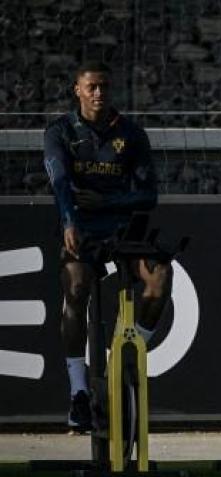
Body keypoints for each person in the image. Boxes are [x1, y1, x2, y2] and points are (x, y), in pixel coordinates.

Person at [44, 61, 172, 431]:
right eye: (92, 87)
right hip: (81, 231)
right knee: (77, 288)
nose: (99, 93)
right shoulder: (60, 132)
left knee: (159, 277)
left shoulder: (131, 134)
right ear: (77, 90)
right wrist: (69, 220)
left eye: (104, 87)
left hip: (124, 229)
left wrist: (108, 204)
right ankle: (79, 392)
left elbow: (148, 195)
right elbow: (61, 183)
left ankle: (124, 359)